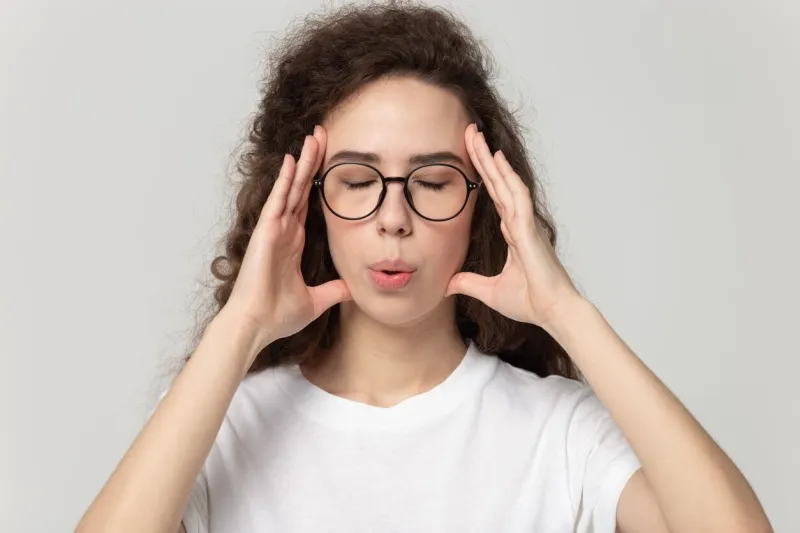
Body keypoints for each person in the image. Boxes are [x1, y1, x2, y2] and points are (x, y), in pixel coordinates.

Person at [75, 2, 773, 532]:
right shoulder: (224, 423)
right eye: (356, 178)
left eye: (432, 180)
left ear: (486, 205)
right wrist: (242, 326)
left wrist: (570, 313)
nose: (394, 216)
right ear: (307, 204)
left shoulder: (560, 432)